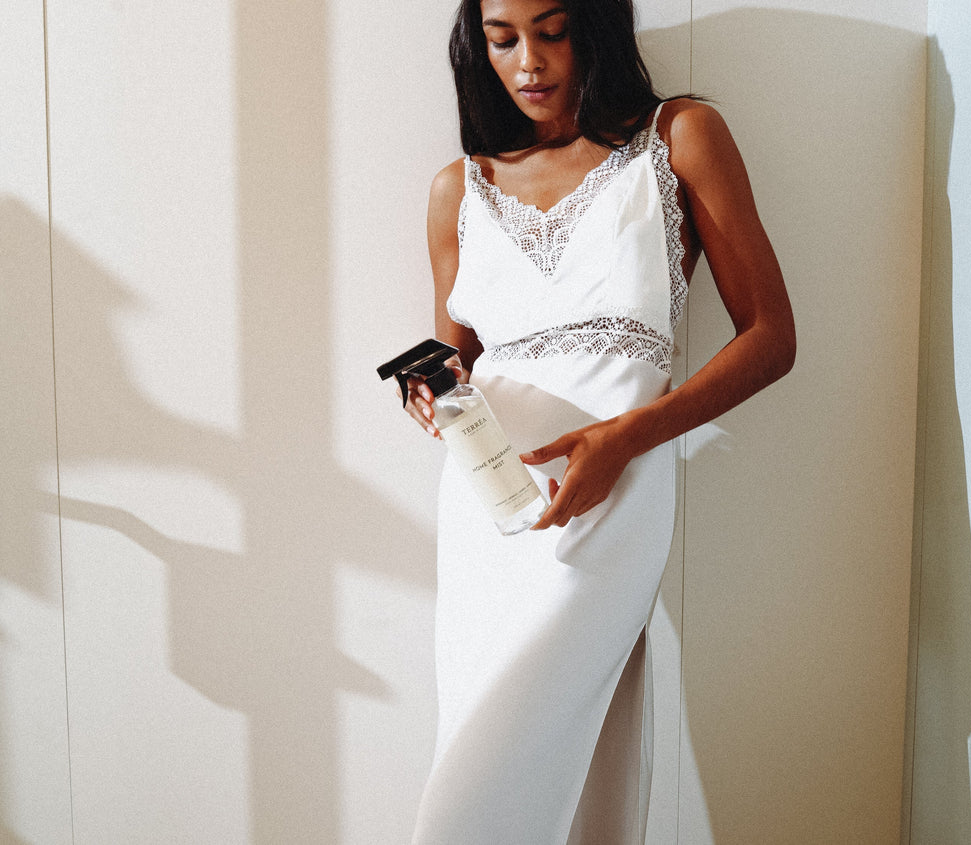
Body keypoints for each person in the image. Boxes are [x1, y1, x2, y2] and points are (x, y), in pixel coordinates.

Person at [401, 0, 795, 841]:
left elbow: (771, 338)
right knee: (507, 754)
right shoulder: (457, 189)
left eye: (553, 31)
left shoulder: (679, 139)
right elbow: (455, 363)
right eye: (504, 40)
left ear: (596, 25)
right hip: (487, 517)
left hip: (612, 503)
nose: (530, 63)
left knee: (476, 798)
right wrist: (429, 394)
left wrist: (627, 438)